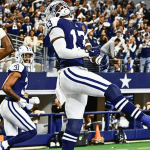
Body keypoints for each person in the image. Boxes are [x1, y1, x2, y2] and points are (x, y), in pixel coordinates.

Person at [45, 1, 150, 150]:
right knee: (112, 89)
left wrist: (99, 59)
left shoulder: (80, 26)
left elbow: (88, 48)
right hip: (71, 72)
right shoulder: (56, 23)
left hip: (76, 73)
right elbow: (63, 52)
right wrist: (87, 53)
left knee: (74, 125)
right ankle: (146, 119)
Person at [0, 45, 40, 150]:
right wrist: (19, 99)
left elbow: (17, 91)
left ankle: (4, 145)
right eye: (25, 56)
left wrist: (29, 100)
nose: (27, 58)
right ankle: (2, 144)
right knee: (32, 131)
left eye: (29, 56)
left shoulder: (21, 68)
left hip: (9, 104)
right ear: (18, 56)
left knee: (11, 139)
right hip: (11, 105)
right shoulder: (19, 67)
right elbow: (5, 87)